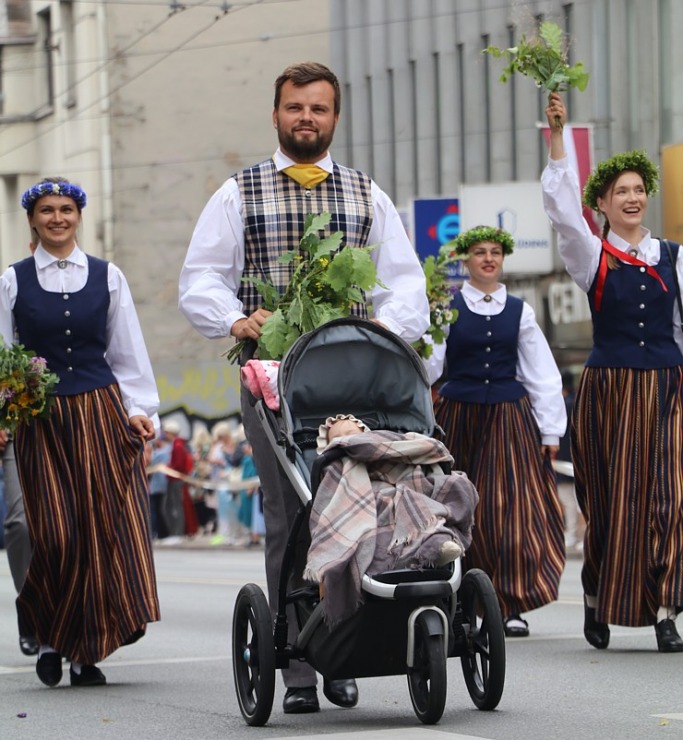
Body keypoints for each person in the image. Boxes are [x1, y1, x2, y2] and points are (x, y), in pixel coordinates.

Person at [179, 61, 429, 713]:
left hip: (354, 380)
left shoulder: (364, 193)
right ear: (275, 114)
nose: (306, 118)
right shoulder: (239, 192)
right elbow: (199, 277)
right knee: (290, 516)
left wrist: (383, 322)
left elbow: (404, 282)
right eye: (295, 107)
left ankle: (340, 650)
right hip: (271, 379)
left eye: (318, 108)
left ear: (334, 117)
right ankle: (296, 667)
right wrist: (237, 318)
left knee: (352, 502)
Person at [0, 176, 160, 687]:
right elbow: (3, 357)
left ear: (78, 217)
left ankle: (83, 653)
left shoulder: (107, 276)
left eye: (66, 209)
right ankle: (48, 635)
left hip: (99, 411)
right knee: (54, 534)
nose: (57, 218)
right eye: (46, 210)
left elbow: (126, 350)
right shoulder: (12, 279)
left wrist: (139, 409)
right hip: (39, 419)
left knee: (96, 533)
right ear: (32, 220)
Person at [543, 92, 683, 653]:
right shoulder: (591, 254)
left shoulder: (673, 256)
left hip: (668, 385)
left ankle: (668, 608)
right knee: (610, 499)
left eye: (638, 189)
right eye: (620, 191)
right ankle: (599, 598)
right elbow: (558, 207)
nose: (632, 197)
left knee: (671, 496)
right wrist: (557, 136)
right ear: (602, 202)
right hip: (611, 389)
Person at [429, 225, 567, 638]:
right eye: (479, 252)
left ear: (503, 259)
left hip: (508, 416)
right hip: (460, 418)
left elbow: (541, 372)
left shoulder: (520, 310)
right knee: (461, 510)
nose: (488, 259)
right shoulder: (446, 308)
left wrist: (550, 431)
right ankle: (463, 602)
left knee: (509, 510)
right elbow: (429, 367)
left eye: (495, 252)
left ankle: (508, 605)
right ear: (466, 261)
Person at [0, 432, 39, 656]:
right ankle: (30, 610)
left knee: (67, 524)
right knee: (20, 524)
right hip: (14, 429)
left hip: (64, 423)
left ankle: (68, 620)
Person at [556, 370, 583, 552]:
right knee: (578, 500)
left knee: (568, 499)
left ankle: (573, 535)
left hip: (565, 457)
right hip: (579, 457)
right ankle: (577, 536)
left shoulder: (563, 405)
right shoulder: (579, 402)